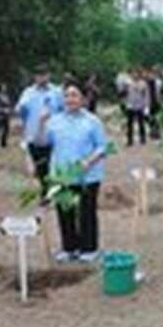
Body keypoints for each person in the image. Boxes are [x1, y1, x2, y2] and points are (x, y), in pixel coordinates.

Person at [45, 83, 110, 263]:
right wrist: (41, 123)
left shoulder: (92, 121)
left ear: (82, 99)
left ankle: (89, 248)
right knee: (65, 212)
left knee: (86, 212)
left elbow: (102, 147)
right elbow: (42, 143)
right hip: (61, 175)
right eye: (67, 95)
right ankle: (69, 247)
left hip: (88, 176)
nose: (70, 99)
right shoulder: (55, 121)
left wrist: (89, 161)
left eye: (74, 95)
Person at [17, 66, 63, 189]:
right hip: (35, 134)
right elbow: (21, 110)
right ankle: (45, 189)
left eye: (44, 75)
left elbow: (64, 110)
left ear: (49, 75)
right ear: (35, 77)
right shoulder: (28, 93)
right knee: (41, 166)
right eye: (39, 75)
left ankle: (53, 189)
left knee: (53, 163)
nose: (42, 78)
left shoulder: (57, 92)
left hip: (54, 135)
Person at [123, 68, 151, 147]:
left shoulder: (143, 84)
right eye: (133, 73)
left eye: (136, 73)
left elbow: (146, 95)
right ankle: (129, 140)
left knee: (141, 123)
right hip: (130, 105)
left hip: (140, 105)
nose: (134, 75)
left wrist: (146, 106)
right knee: (129, 124)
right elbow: (125, 93)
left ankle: (142, 139)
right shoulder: (129, 83)